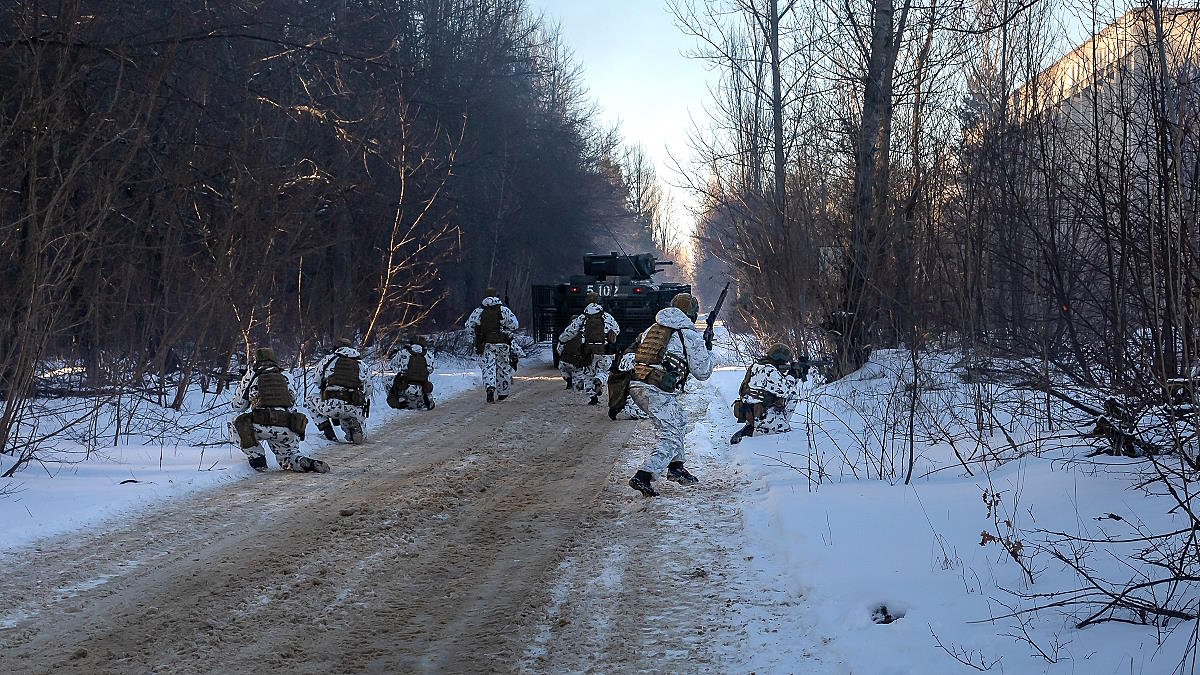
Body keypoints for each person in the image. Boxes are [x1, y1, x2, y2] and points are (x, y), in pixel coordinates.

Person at [626, 293, 714, 497]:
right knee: (670, 437)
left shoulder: (654, 327)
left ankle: (676, 468)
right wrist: (711, 354)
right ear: (692, 314)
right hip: (656, 388)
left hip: (638, 383)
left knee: (679, 421)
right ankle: (644, 475)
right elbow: (702, 372)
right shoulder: (688, 334)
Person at [229, 347, 328, 473]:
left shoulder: (252, 375)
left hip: (261, 425)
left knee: (234, 422)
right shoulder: (286, 376)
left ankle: (257, 459)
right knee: (287, 457)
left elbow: (237, 406)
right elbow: (292, 400)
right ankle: (304, 462)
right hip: (287, 426)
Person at [729, 344, 804, 444]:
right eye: (785, 360)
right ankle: (758, 431)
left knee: (791, 396)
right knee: (784, 435)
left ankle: (752, 428)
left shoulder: (757, 365)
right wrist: (793, 374)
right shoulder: (768, 370)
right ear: (780, 358)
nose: (786, 362)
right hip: (762, 414)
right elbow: (786, 390)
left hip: (753, 411)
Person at [557, 293, 620, 405]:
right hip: (603, 350)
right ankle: (600, 380)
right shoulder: (606, 316)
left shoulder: (582, 318)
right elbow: (617, 329)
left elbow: (570, 332)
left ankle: (593, 397)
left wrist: (562, 340)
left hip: (587, 351)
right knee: (604, 369)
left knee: (588, 373)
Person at [308, 338, 372, 444]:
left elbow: (316, 381)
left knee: (309, 400)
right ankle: (354, 427)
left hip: (330, 405)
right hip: (354, 406)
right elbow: (368, 391)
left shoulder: (327, 360)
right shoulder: (362, 364)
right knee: (361, 438)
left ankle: (328, 431)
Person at [464, 288, 519, 403]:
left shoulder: (478, 311)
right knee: (503, 368)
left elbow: (468, 326)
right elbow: (515, 325)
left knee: (488, 368)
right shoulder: (504, 310)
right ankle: (503, 393)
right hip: (502, 344)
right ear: (496, 296)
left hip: (486, 344)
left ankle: (490, 388)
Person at [388, 335, 435, 410]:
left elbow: (393, 365)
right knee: (427, 387)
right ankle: (426, 400)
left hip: (405, 383)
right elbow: (430, 370)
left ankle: (397, 401)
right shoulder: (429, 355)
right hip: (422, 383)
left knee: (392, 383)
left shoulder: (403, 352)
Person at [608, 349, 648, 420]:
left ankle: (617, 407)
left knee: (624, 384)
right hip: (639, 359)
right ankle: (626, 408)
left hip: (625, 357)